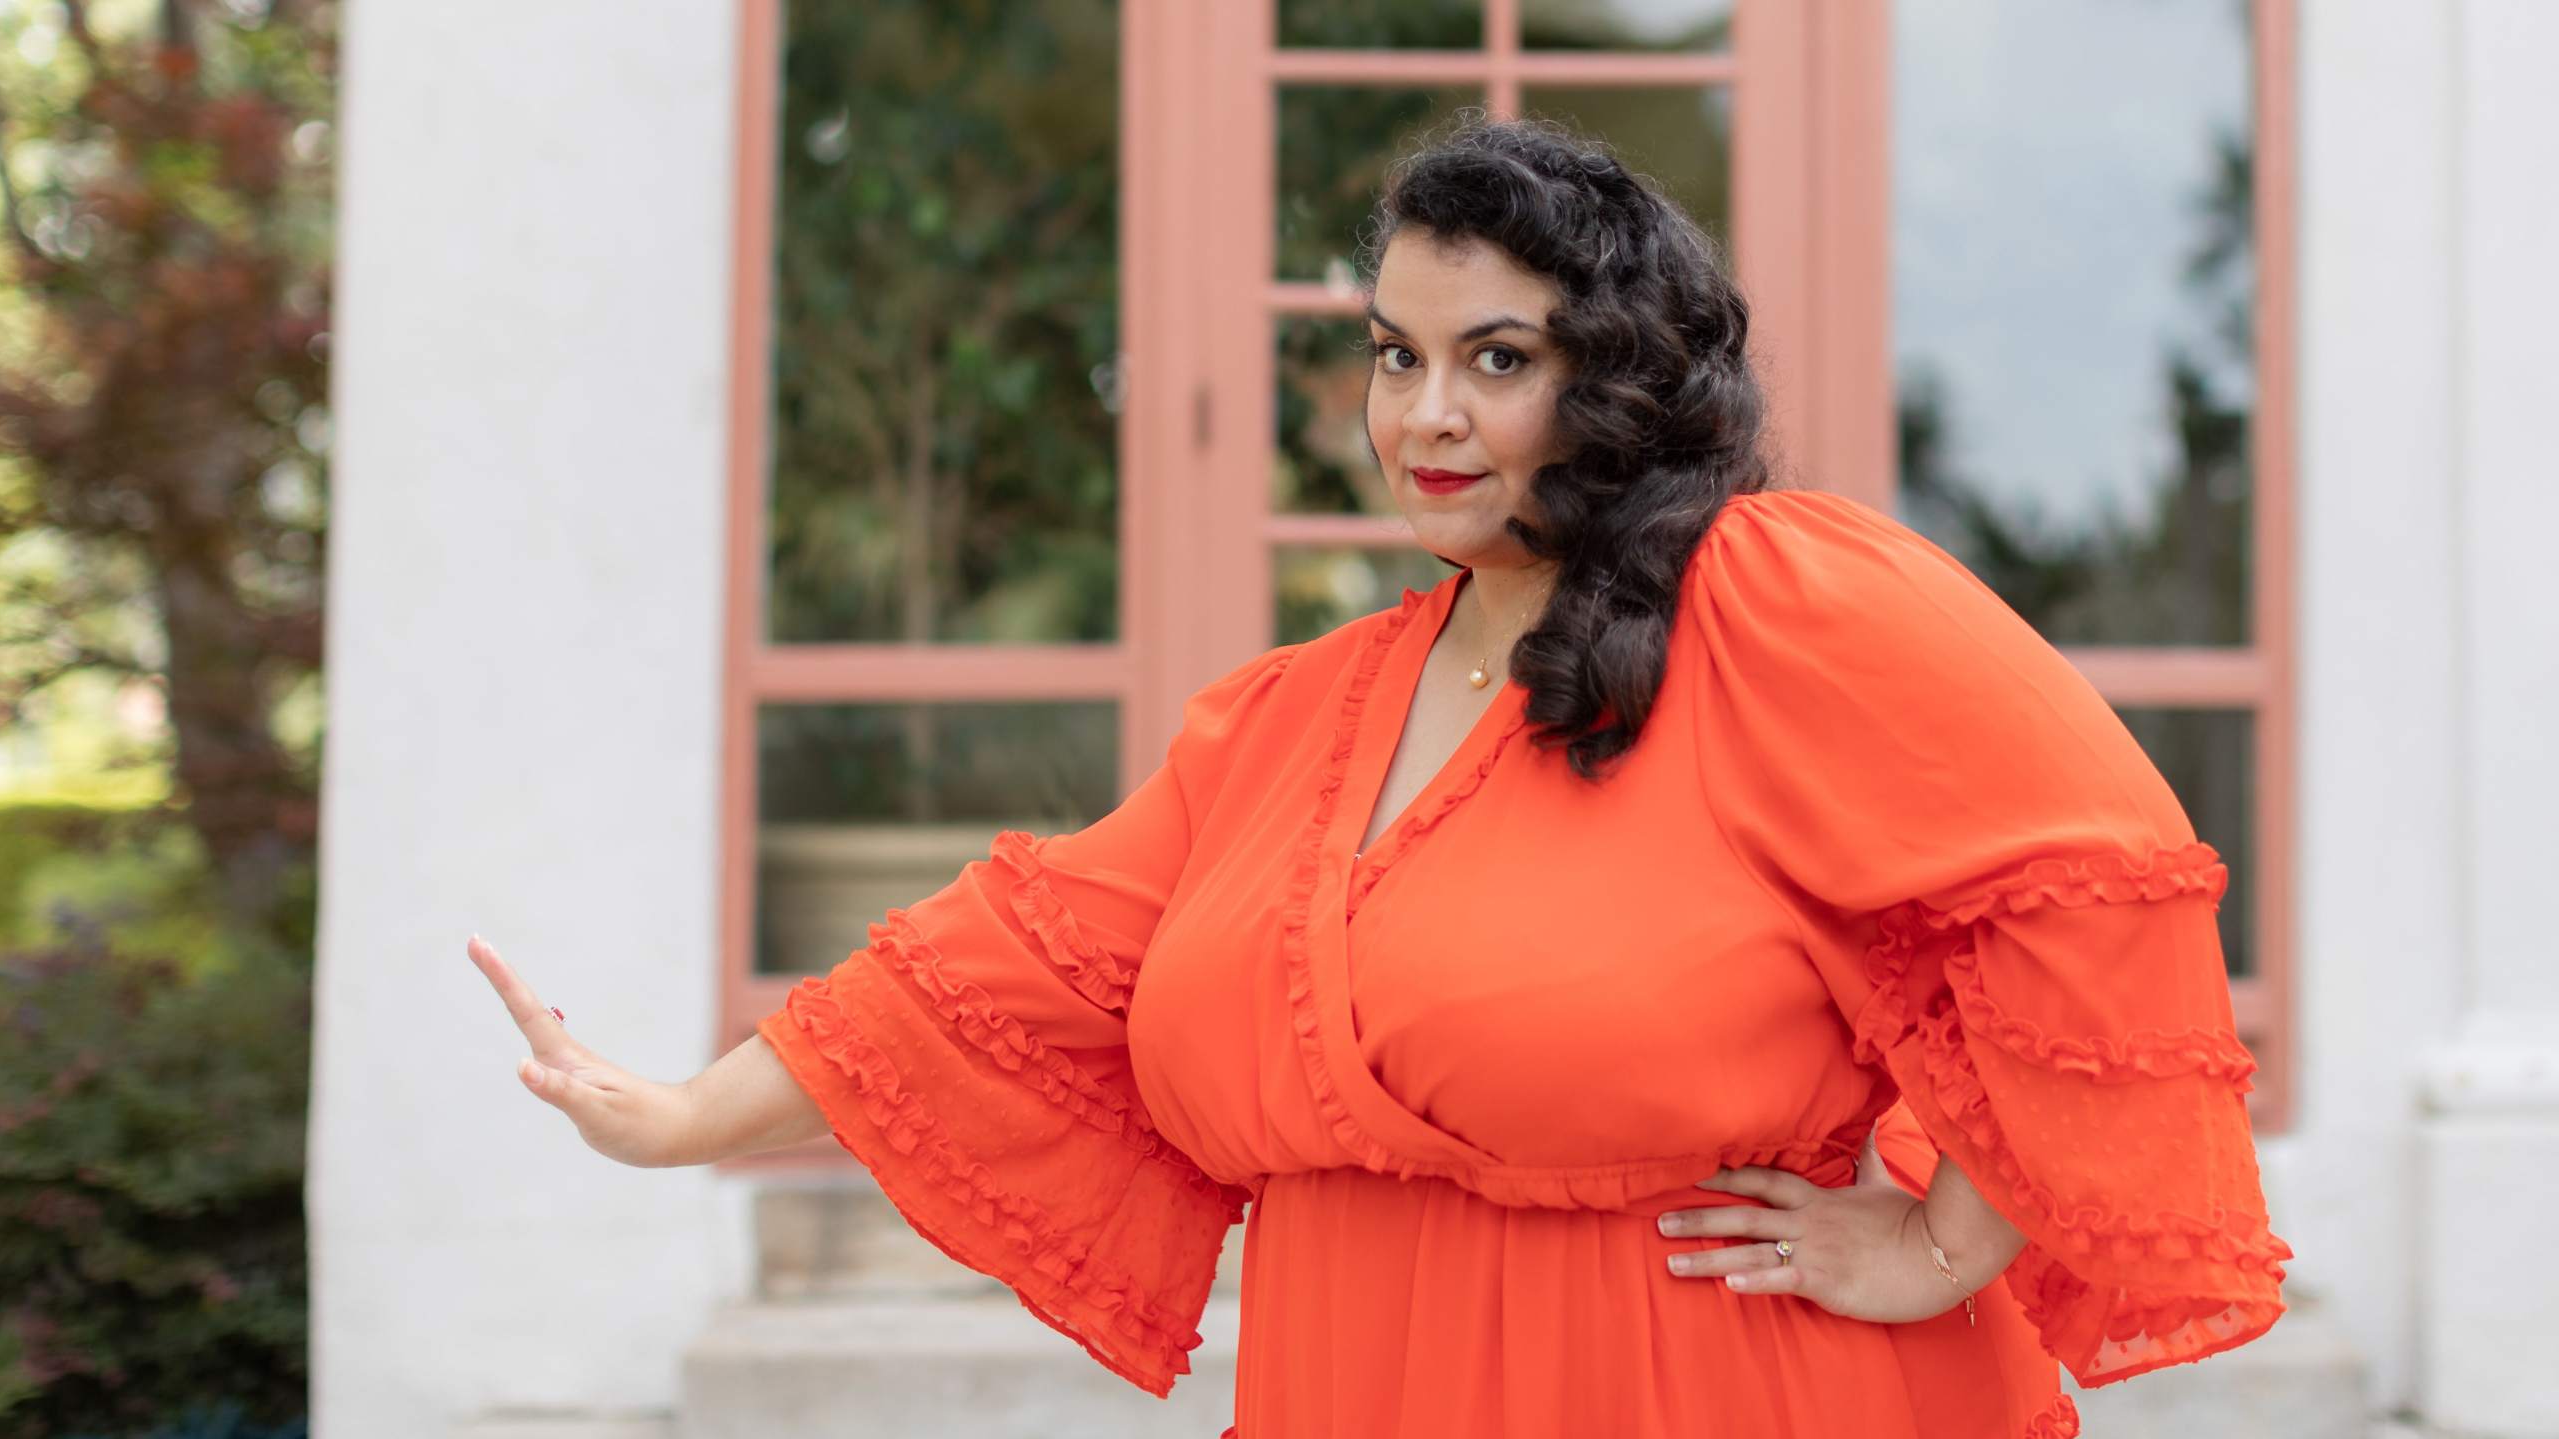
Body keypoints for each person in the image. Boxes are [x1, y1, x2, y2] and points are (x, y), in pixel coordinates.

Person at [467, 119, 2285, 1438]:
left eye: (1497, 360)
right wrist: (677, 1118)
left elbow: (2087, 871)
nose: (1425, 417)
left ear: (1617, 375)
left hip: (1709, 1385)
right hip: (1360, 1380)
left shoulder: (1776, 597)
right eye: (1396, 358)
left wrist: (1949, 1241)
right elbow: (1011, 962)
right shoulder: (1291, 718)